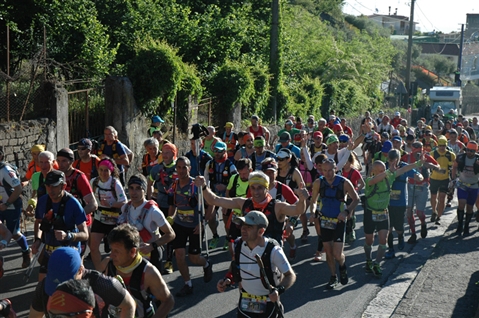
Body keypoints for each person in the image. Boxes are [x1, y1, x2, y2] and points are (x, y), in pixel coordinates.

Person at [196, 171, 309, 246]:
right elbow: (214, 200)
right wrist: (204, 187)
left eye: (260, 188)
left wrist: (302, 199)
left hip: (271, 254)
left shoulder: (277, 206)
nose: (256, 192)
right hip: (249, 253)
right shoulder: (244, 203)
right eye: (253, 188)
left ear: (267, 189)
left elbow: (298, 210)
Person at [217, 211, 296, 318]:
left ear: (261, 231)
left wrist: (279, 290)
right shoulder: (238, 244)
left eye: (249, 227)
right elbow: (235, 264)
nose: (243, 229)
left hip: (268, 303)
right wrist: (228, 278)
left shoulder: (273, 250)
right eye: (243, 225)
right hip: (245, 302)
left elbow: (290, 275)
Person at [29, 247, 136, 318]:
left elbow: (129, 305)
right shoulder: (44, 287)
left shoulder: (102, 284)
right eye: (55, 287)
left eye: (67, 283)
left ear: (81, 270)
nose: (62, 290)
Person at [364, 158, 423, 277]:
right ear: (373, 172)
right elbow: (375, 180)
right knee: (369, 241)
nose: (383, 173)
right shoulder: (370, 180)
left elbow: (404, 169)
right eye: (379, 171)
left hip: (383, 213)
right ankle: (368, 260)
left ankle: (377, 264)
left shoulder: (389, 177)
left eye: (383, 170)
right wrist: (387, 172)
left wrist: (417, 163)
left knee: (383, 241)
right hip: (370, 213)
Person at [309, 159, 359, 288]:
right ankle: (333, 276)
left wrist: (346, 212)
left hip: (339, 221)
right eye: (324, 170)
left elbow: (356, 199)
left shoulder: (344, 182)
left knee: (337, 254)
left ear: (335, 169)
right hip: (325, 220)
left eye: (330, 170)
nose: (328, 173)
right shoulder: (319, 182)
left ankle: (342, 266)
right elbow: (313, 201)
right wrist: (313, 212)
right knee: (328, 251)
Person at [168, 156, 214, 297]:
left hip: (195, 226)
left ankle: (206, 264)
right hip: (180, 224)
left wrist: (203, 223)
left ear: (189, 168)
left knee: (194, 258)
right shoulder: (174, 186)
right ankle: (188, 284)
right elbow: (171, 206)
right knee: (180, 255)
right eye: (179, 167)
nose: (181, 170)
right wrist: (169, 222)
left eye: (184, 167)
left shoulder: (197, 185)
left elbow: (211, 204)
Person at [32, 170, 89, 281]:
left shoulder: (73, 203)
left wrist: (68, 236)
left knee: (69, 289)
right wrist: (37, 239)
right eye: (48, 186)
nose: (50, 190)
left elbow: (85, 234)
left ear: (63, 186)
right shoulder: (43, 201)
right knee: (42, 286)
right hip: (49, 253)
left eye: (54, 186)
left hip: (69, 253)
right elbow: (38, 222)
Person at [117, 174, 175, 271]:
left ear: (144, 190)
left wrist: (152, 246)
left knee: (153, 285)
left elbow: (171, 234)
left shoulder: (153, 211)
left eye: (138, 188)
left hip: (152, 255)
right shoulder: (125, 208)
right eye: (131, 188)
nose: (134, 192)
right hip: (132, 254)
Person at [56, 148, 98, 258]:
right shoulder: (56, 176)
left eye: (64, 161)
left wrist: (76, 216)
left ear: (71, 161)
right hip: (62, 224)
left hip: (80, 225)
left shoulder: (79, 177)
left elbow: (93, 204)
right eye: (58, 161)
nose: (61, 164)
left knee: (76, 259)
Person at [384, 150, 423, 259]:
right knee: (388, 228)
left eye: (394, 160)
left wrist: (418, 176)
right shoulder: (385, 167)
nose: (391, 163)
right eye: (390, 160)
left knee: (398, 227)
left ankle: (401, 236)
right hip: (387, 202)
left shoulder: (404, 167)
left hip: (400, 203)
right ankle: (390, 249)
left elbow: (417, 173)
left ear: (399, 159)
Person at [89, 158, 127, 270]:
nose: (103, 173)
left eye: (106, 170)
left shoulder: (115, 183)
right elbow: (89, 197)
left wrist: (111, 203)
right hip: (99, 217)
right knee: (93, 247)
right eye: (101, 170)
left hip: (113, 219)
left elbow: (124, 202)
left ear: (111, 171)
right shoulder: (94, 182)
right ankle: (98, 271)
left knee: (115, 249)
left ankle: (114, 269)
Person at [0, 149, 31, 268]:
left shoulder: (6, 170)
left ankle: (26, 251)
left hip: (11, 205)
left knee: (13, 233)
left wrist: (7, 204)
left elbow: (18, 189)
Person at [204, 141, 237, 249]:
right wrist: (206, 191)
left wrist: (225, 186)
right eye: (215, 150)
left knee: (226, 218)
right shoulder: (210, 164)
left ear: (225, 151)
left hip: (226, 195)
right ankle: (215, 236)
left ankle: (228, 238)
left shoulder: (230, 166)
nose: (217, 153)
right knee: (211, 217)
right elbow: (206, 179)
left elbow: (236, 181)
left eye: (219, 151)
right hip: (213, 194)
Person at [451, 142, 479, 236]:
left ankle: (466, 226)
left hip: (474, 185)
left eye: (472, 151)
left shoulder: (478, 159)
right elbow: (454, 166)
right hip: (462, 184)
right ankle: (459, 226)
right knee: (461, 204)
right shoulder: (460, 157)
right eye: (467, 150)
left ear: (475, 151)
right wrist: (453, 178)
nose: (469, 152)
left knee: (470, 208)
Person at [429, 136, 455, 225]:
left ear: (446, 145)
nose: (442, 147)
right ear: (437, 145)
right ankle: (434, 211)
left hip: (445, 179)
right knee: (433, 197)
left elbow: (455, 166)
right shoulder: (433, 154)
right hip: (434, 178)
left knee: (442, 198)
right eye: (440, 145)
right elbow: (427, 164)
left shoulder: (451, 155)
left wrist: (453, 178)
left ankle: (439, 217)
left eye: (443, 145)